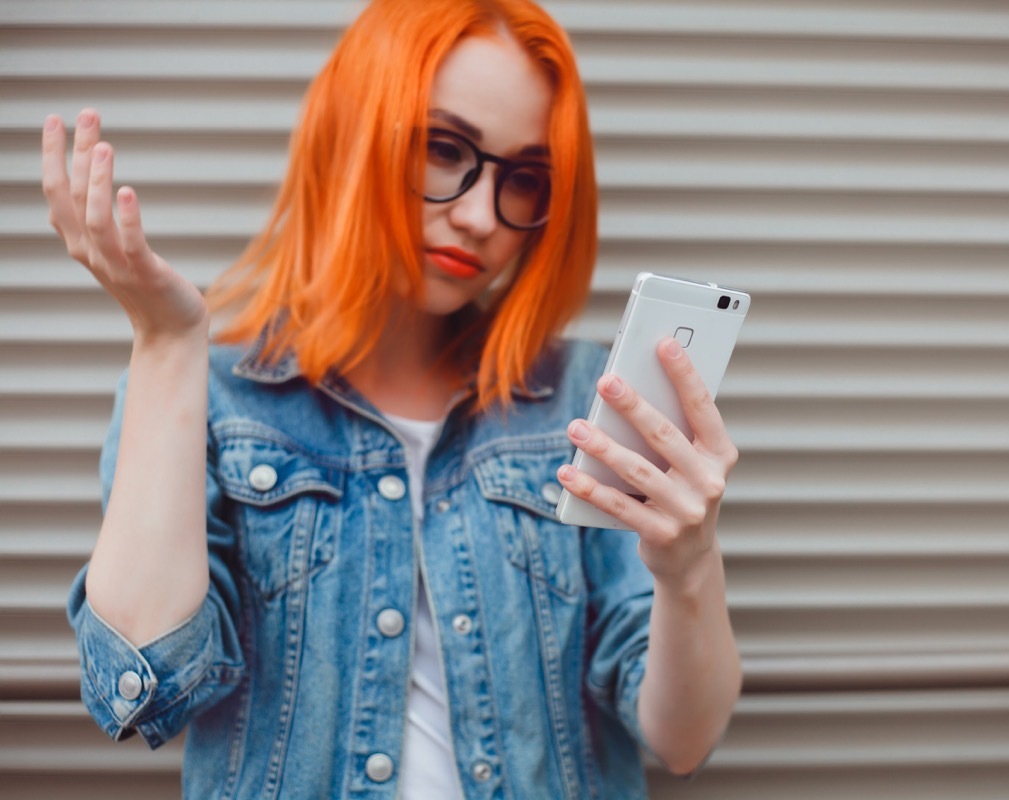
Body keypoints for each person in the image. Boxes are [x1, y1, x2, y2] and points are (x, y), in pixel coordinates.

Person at [42, 0, 742, 797]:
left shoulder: (586, 401)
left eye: (527, 179)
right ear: (353, 130)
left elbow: (682, 741)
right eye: (445, 150)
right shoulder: (207, 397)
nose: (480, 217)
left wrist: (689, 568)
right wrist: (169, 344)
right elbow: (146, 685)